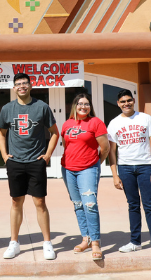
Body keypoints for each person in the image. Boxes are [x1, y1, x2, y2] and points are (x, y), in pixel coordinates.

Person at [0, 72, 59, 260]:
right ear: (14, 88)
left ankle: (47, 243)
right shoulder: (7, 108)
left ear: (31, 86)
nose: (22, 86)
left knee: (40, 202)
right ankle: (14, 243)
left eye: (25, 83)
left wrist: (47, 156)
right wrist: (5, 157)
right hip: (15, 162)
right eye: (18, 84)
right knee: (16, 201)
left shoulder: (42, 107)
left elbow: (55, 133)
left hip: (36, 162)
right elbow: (1, 134)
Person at [107, 89, 151, 261]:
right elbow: (112, 152)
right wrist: (114, 175)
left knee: (149, 205)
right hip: (125, 168)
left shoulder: (145, 118)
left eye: (129, 100)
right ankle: (135, 242)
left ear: (134, 100)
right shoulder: (114, 123)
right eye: (123, 101)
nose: (126, 104)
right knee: (133, 205)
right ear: (118, 104)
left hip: (145, 166)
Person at [60, 93, 109, 260]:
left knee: (90, 204)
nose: (83, 107)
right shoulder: (67, 124)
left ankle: (95, 242)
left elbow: (105, 148)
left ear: (90, 106)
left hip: (88, 168)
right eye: (80, 104)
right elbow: (67, 146)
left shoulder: (96, 122)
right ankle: (85, 239)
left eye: (86, 104)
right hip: (68, 169)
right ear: (75, 105)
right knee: (78, 204)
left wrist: (95, 164)